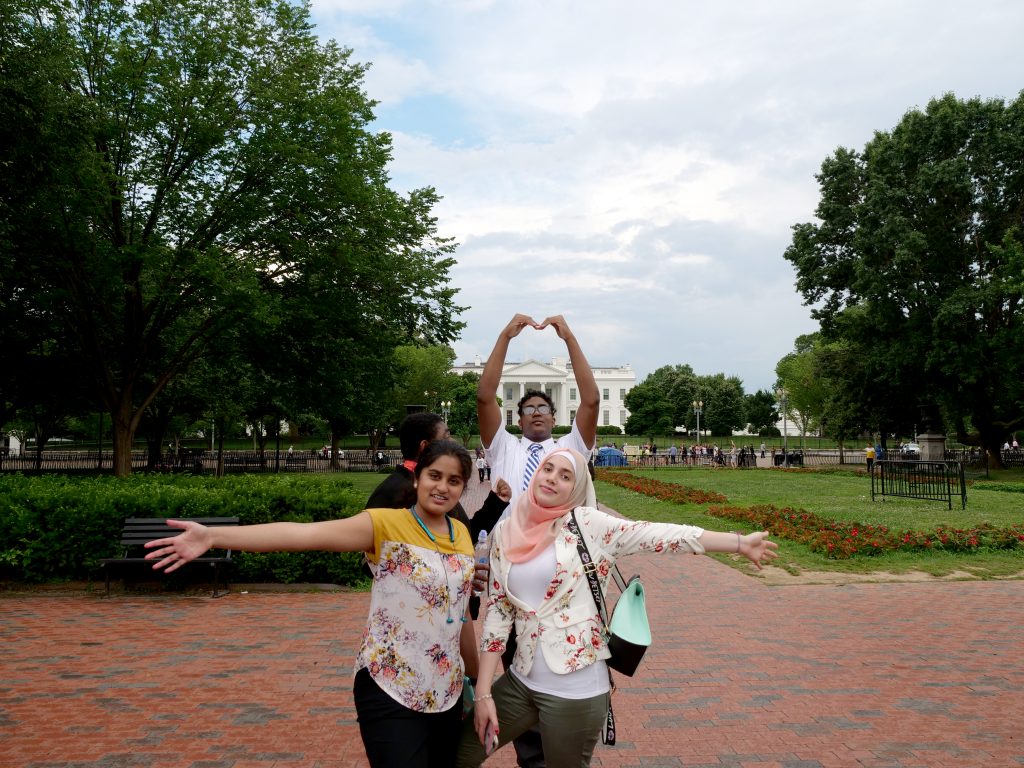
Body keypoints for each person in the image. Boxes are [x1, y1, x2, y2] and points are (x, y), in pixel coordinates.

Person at [145, 440, 480, 768]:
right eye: (435, 476)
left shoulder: (461, 535)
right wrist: (214, 536)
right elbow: (302, 534)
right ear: (417, 477)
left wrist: (480, 682)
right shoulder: (384, 525)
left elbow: (460, 614)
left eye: (454, 481)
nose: (442, 487)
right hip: (389, 685)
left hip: (445, 694)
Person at [455, 448, 777, 767]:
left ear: (578, 488)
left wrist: (738, 543)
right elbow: (499, 612)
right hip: (521, 681)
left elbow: (658, 535)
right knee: (460, 754)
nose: (552, 479)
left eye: (565, 476)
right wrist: (483, 692)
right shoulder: (507, 533)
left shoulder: (589, 526)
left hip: (575, 691)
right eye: (548, 469)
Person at [476, 313, 600, 768]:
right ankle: (533, 756)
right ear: (519, 418)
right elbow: (484, 394)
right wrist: (504, 336)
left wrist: (569, 338)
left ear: (554, 416)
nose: (535, 413)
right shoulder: (504, 449)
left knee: (562, 660)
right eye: (527, 409)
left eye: (543, 408)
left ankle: (565, 746)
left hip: (561, 575)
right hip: (512, 576)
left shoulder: (568, 452)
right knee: (517, 662)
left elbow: (591, 399)